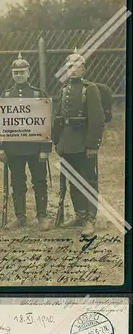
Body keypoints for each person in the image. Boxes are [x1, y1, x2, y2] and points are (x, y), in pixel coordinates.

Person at [0, 52, 52, 231]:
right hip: (13, 148)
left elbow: (46, 121)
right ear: (12, 74)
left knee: (39, 181)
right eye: (16, 72)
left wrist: (45, 148)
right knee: (17, 182)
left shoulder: (38, 93)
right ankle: (20, 217)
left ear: (29, 73)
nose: (19, 75)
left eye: (22, 72)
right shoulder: (5, 95)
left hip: (35, 148)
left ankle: (42, 216)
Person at [53, 48, 105, 237]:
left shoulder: (89, 88)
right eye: (69, 66)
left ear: (83, 68)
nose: (72, 69)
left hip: (84, 144)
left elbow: (97, 119)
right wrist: (57, 141)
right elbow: (59, 117)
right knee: (73, 180)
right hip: (67, 144)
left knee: (89, 181)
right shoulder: (64, 88)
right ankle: (80, 214)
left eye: (76, 66)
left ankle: (90, 220)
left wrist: (92, 144)